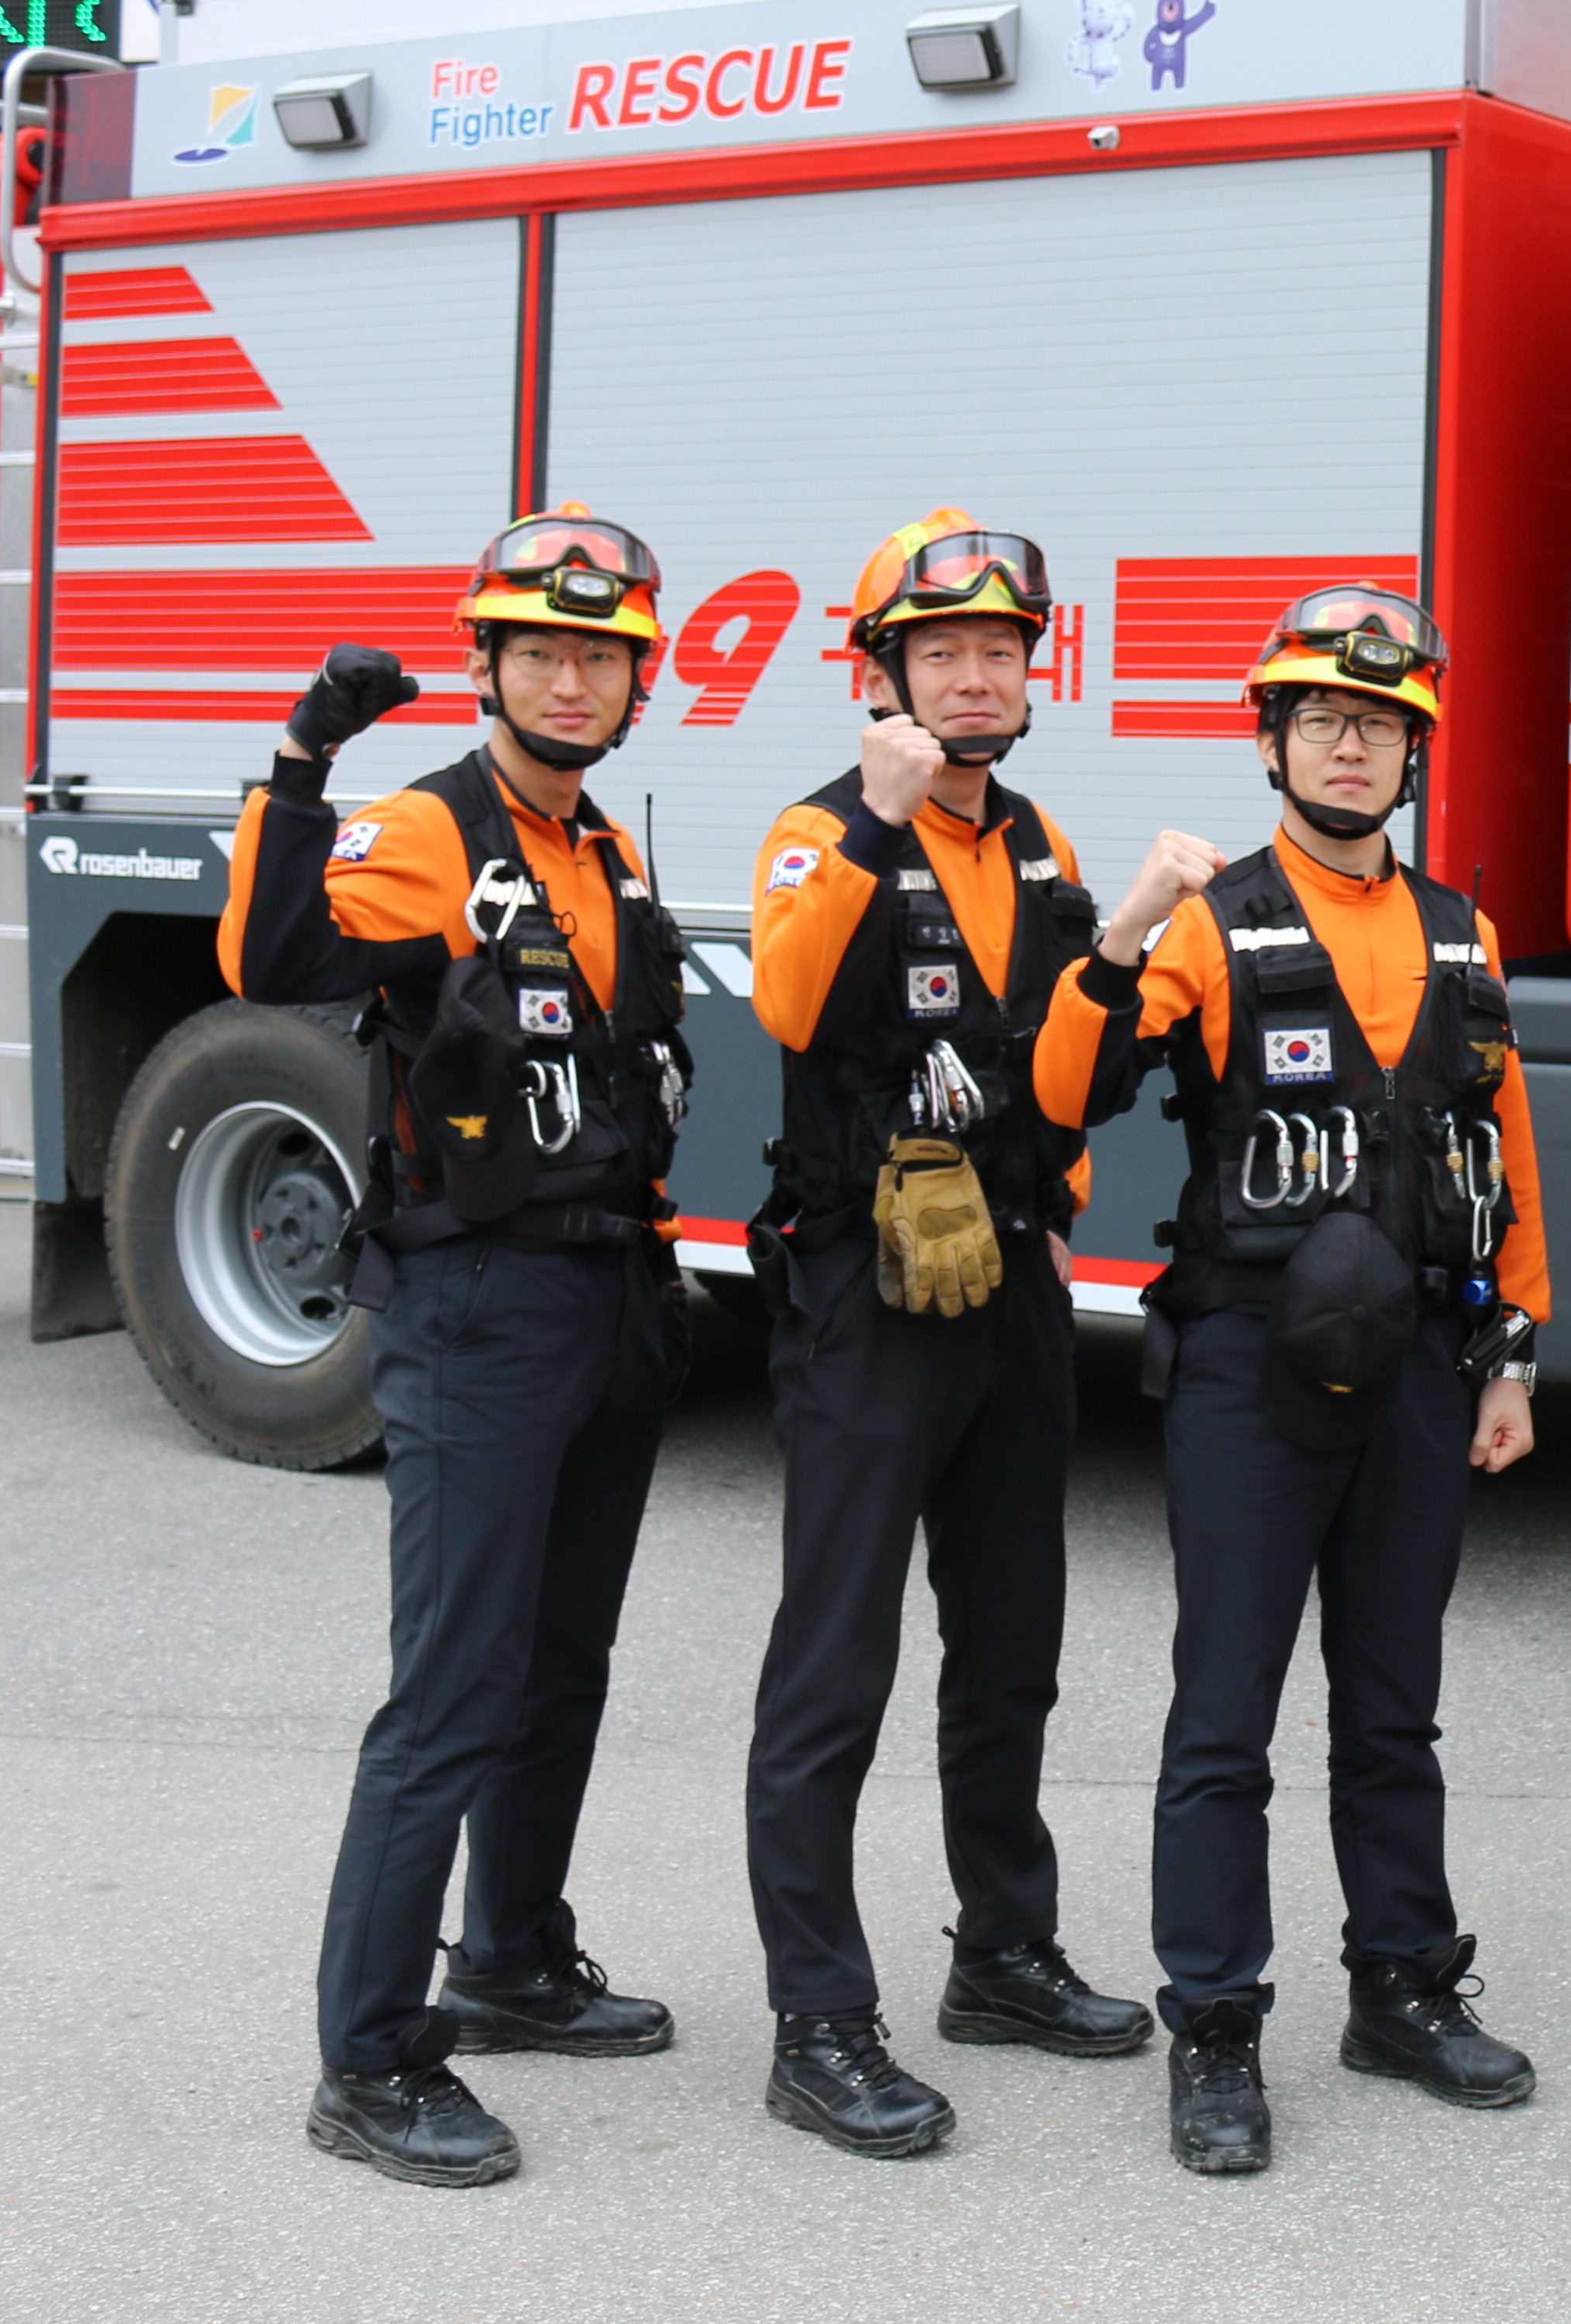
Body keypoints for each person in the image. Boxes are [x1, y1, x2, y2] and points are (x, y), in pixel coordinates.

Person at [1032, 584, 1549, 2177]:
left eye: (1381, 726)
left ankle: (1403, 1989)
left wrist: (1513, 1354)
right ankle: (1214, 2027)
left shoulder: (1461, 931)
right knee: (1227, 1714)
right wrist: (1124, 929)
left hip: (1419, 1371)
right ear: (1272, 743)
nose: (1350, 746)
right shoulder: (1209, 921)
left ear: (1413, 755)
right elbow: (1065, 1092)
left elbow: (1503, 1153)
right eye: (1322, 719)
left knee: (1394, 1713)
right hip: (1250, 1370)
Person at [220, 509, 695, 2189]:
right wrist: (302, 762)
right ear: (487, 665)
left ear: (636, 683)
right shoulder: (431, 828)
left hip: (607, 1296)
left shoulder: (601, 848)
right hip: (480, 1307)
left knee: (562, 1666)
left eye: (601, 658)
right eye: (540, 652)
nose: (572, 681)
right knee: (455, 1690)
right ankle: (367, 2059)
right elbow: (276, 959)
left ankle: (510, 1959)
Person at [735, 513, 1147, 2162]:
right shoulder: (818, 830)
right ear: (882, 675)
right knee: (835, 1667)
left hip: (1011, 1290)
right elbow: (784, 1003)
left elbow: (1058, 1060)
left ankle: (1003, 1954)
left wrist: (1063, 1181)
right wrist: (875, 822)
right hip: (867, 1296)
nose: (975, 677)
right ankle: (818, 2023)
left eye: (1000, 651)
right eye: (941, 653)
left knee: (1011, 1645)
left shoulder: (1037, 839)